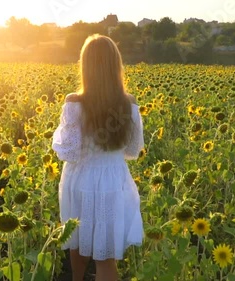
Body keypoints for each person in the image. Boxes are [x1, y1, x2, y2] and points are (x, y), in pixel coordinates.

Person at [52, 34, 144, 281]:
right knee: (106, 258)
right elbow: (133, 151)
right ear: (116, 65)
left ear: (86, 66)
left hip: (80, 179)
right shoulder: (129, 105)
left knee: (76, 240)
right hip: (114, 180)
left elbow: (68, 152)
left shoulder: (74, 103)